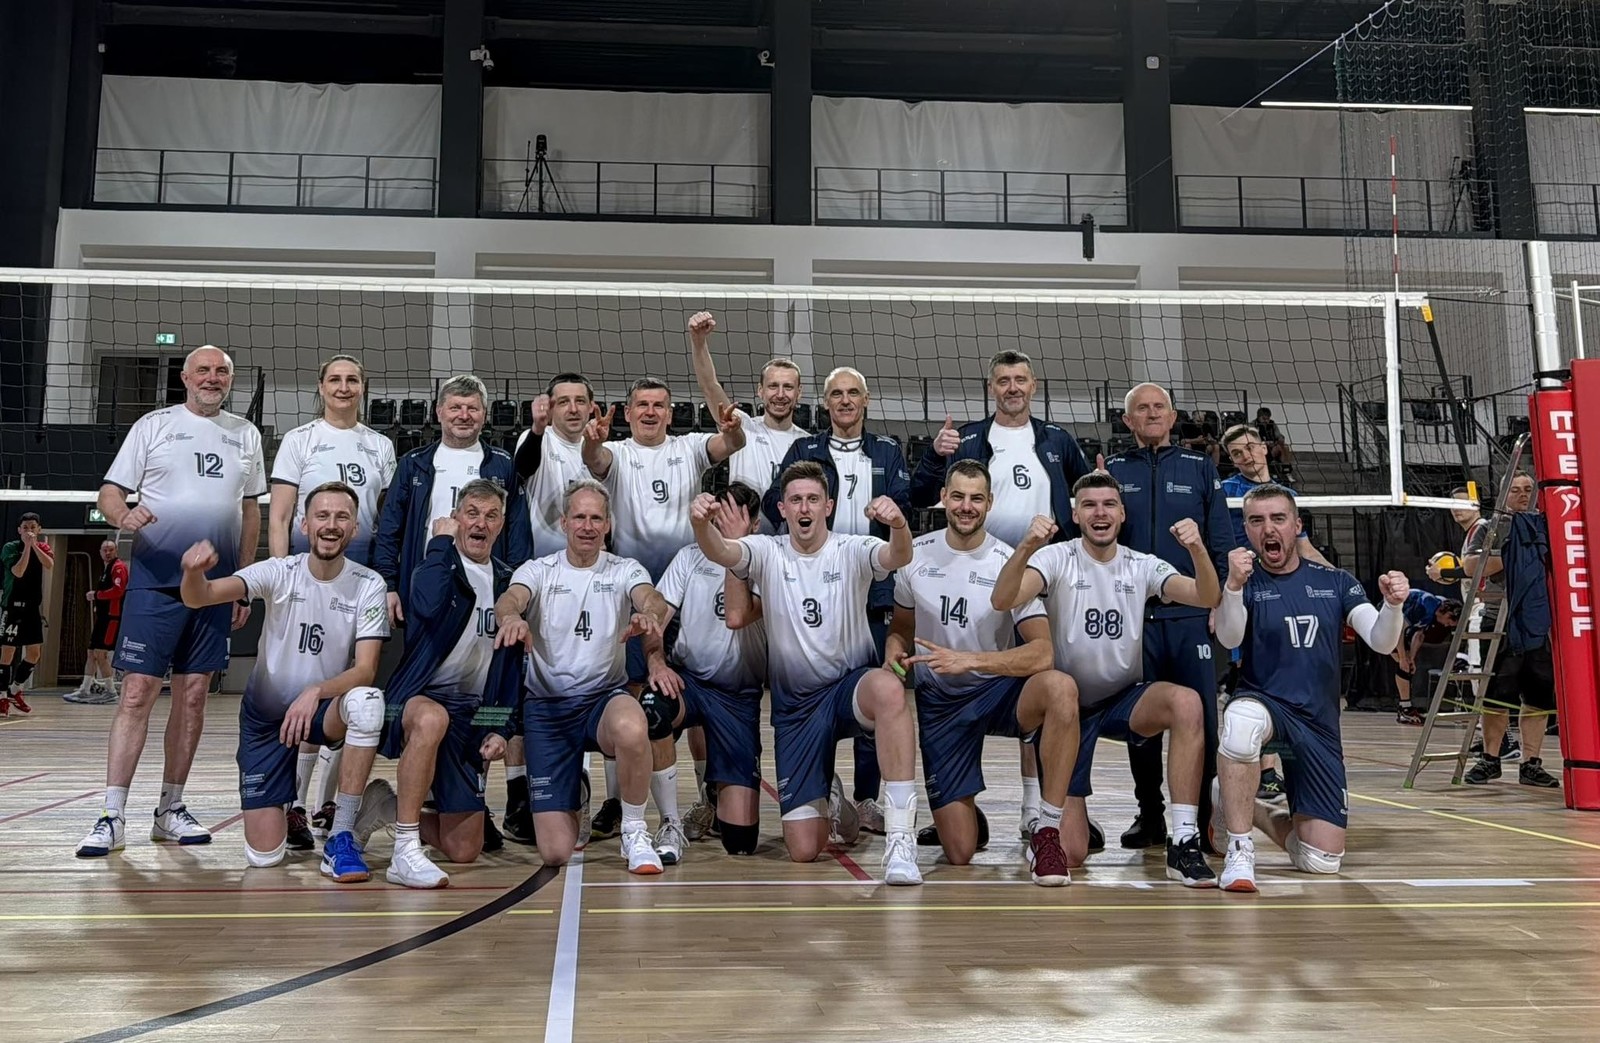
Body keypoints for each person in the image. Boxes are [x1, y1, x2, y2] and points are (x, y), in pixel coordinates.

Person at [77, 345, 266, 858]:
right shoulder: (153, 425)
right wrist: (123, 516)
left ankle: (170, 808)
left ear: (230, 380)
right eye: (203, 370)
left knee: (194, 696)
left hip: (214, 588)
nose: (212, 377)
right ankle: (112, 814)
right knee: (136, 692)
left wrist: (243, 581)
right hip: (156, 581)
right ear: (185, 377)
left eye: (222, 371)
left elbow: (250, 511)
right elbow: (110, 492)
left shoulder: (246, 434)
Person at [696, 460, 923, 883]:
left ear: (828, 506)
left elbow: (898, 555)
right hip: (797, 709)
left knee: (889, 688)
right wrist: (700, 524)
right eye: (796, 499)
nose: (805, 507)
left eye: (813, 499)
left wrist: (898, 524)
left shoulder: (851, 548)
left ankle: (900, 839)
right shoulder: (767, 550)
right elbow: (722, 552)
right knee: (803, 850)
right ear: (782, 509)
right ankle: (837, 805)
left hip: (848, 689)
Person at [991, 473, 1222, 887]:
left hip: (1121, 699)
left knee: (1187, 702)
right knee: (1073, 853)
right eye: (1090, 505)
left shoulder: (1141, 564)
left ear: (1122, 513)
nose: (1100, 513)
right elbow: (1002, 599)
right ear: (1076, 515)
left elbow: (1207, 597)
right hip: (1068, 710)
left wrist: (1198, 549)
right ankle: (1053, 825)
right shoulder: (1056, 557)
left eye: (1109, 504)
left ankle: (1184, 840)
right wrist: (1026, 546)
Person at [909, 349, 1094, 837]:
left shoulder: (1057, 439)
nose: (1012, 388)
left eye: (1020, 380)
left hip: (1042, 575)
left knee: (1045, 679)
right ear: (991, 388)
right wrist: (934, 455)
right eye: (1003, 381)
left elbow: (1087, 496)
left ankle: (1038, 808)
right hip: (978, 568)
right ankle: (958, 804)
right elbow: (920, 493)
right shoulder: (969, 437)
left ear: (1033, 386)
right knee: (988, 675)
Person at [176, 482, 389, 874]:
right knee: (264, 858)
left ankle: (342, 834)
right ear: (304, 525)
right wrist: (192, 572)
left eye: (341, 517)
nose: (331, 525)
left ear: (355, 528)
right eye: (322, 516)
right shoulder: (279, 571)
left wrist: (315, 691)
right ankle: (295, 800)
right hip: (267, 718)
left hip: (323, 708)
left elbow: (365, 670)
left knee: (367, 702)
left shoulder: (369, 584)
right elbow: (199, 596)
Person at [887, 460, 1081, 885]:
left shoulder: (1008, 562)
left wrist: (971, 660)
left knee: (1060, 688)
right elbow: (901, 627)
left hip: (997, 692)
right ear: (943, 498)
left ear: (990, 502)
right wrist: (893, 653)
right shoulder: (914, 555)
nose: (966, 506)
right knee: (959, 851)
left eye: (976, 498)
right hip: (941, 703)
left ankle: (1046, 829)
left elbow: (1042, 654)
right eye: (958, 496)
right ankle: (966, 811)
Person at [1213, 483, 1409, 892]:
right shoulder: (1243, 582)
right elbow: (1230, 639)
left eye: (1278, 518)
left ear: (1297, 526)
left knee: (1320, 861)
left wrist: (1392, 606)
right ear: (1246, 530)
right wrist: (1232, 588)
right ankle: (1239, 850)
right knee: (1240, 725)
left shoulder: (1336, 582)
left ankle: (1244, 805)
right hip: (1266, 705)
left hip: (1317, 725)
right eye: (1256, 521)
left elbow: (1381, 641)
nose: (1268, 529)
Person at [579, 379, 745, 840]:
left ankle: (707, 797)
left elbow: (731, 443)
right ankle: (617, 801)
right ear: (629, 412)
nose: (650, 412)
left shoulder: (689, 448)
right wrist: (591, 443)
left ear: (671, 414)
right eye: (642, 405)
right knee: (629, 689)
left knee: (691, 686)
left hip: (689, 587)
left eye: (659, 405)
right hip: (633, 589)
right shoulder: (618, 453)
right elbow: (595, 460)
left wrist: (733, 427)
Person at [374, 372, 530, 851]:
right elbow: (391, 527)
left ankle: (449, 801)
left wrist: (517, 589)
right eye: (455, 407)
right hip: (430, 594)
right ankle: (406, 812)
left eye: (472, 408)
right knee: (429, 708)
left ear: (484, 415)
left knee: (466, 850)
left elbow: (518, 534)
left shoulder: (502, 466)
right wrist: (389, 583)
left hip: (473, 691)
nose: (464, 415)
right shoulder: (415, 464)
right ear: (439, 412)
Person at [492, 478, 676, 876]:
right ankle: (575, 786)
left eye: (596, 518)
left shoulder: (625, 569)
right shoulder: (539, 570)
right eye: (579, 517)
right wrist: (510, 617)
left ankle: (634, 831)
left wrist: (649, 613)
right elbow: (510, 598)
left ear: (608, 524)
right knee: (555, 852)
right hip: (548, 710)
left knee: (632, 724)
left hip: (601, 702)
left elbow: (651, 597)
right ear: (564, 522)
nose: (587, 526)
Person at [763, 367, 912, 835]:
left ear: (865, 400)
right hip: (816, 583)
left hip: (871, 584)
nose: (845, 401)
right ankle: (822, 785)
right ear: (825, 403)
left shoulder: (886, 450)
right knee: (817, 687)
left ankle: (868, 799)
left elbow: (905, 502)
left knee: (875, 689)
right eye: (836, 395)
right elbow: (772, 502)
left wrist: (890, 514)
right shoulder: (804, 450)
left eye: (853, 394)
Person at [366, 479, 523, 887]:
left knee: (465, 848)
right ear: (455, 518)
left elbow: (509, 669)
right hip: (413, 699)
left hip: (470, 712)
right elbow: (426, 604)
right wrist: (439, 543)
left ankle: (386, 807)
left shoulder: (510, 583)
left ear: (501, 525)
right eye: (472, 513)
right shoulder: (435, 565)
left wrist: (500, 727)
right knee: (433, 718)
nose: (481, 523)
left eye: (491, 516)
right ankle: (404, 849)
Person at [268, 354, 397, 847]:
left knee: (352, 693)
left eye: (353, 380)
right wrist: (282, 579)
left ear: (363, 388)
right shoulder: (300, 440)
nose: (344, 387)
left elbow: (385, 523)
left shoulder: (380, 445)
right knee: (306, 686)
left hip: (359, 581)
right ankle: (292, 806)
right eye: (335, 380)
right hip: (309, 578)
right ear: (321, 387)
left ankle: (327, 803)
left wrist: (384, 581)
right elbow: (280, 517)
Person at [1104, 383, 1234, 850]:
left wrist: (1220, 601)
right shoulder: (1114, 470)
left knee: (1203, 720)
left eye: (1159, 407)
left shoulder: (1199, 468)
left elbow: (1221, 538)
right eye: (1142, 408)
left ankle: (1202, 817)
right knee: (1142, 721)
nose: (1152, 413)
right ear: (1128, 420)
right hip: (1134, 618)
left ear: (1173, 417)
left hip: (1189, 615)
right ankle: (1150, 814)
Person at [643, 481, 769, 863]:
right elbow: (656, 619)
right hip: (691, 682)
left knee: (740, 842)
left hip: (738, 697)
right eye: (718, 520)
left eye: (734, 521)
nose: (722, 528)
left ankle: (716, 796)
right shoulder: (689, 557)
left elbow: (737, 617)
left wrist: (735, 549)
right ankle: (669, 822)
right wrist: (656, 661)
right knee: (652, 708)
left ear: (755, 525)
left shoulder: (768, 561)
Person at [505, 371, 599, 845]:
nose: (573, 409)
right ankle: (517, 795)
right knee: (526, 692)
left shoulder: (600, 453)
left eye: (580, 401)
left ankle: (578, 790)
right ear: (550, 407)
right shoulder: (537, 440)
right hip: (539, 582)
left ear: (591, 407)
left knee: (582, 684)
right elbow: (521, 466)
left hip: (588, 584)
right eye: (563, 401)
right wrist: (538, 429)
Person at [1218, 422, 1329, 799]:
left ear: (1265, 448)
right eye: (1236, 453)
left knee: (1286, 681)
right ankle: (1261, 770)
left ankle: (1278, 766)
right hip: (1249, 595)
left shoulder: (1285, 495)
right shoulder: (1227, 492)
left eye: (1250, 447)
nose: (1246, 456)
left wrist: (1340, 581)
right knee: (1255, 681)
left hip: (1288, 595)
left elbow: (1304, 548)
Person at [1455, 474, 1558, 788]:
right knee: (1497, 695)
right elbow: (1471, 566)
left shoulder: (1545, 525)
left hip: (1536, 622)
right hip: (1498, 620)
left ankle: (1531, 764)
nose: (1523, 495)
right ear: (1503, 493)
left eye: (1528, 489)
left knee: (1538, 696)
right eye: (1515, 490)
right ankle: (1491, 759)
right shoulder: (1490, 527)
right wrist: (1514, 557)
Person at [687, 311, 810, 517]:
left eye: (788, 387)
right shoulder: (742, 426)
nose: (780, 395)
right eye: (773, 386)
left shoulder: (808, 443)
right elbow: (709, 386)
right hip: (744, 533)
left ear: (799, 393)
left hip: (791, 535)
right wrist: (698, 341)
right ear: (760, 391)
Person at [0, 513, 54, 715]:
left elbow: (49, 565)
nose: (29, 531)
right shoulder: (10, 548)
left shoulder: (44, 547)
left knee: (34, 653)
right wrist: (27, 548)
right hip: (12, 606)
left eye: (33, 527)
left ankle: (15, 689)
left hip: (32, 608)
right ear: (19, 530)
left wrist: (34, 546)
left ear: (39, 529)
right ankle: (2, 697)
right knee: (8, 652)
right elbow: (18, 571)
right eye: (25, 527)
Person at [66, 539, 127, 705]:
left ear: (116, 551)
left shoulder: (118, 567)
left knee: (101, 654)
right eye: (105, 550)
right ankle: (84, 689)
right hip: (103, 617)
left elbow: (118, 591)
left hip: (111, 618)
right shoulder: (106, 569)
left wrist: (96, 595)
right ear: (100, 552)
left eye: (111, 550)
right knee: (91, 653)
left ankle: (110, 691)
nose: (108, 553)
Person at [1392, 591, 1461, 725]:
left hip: (1402, 625)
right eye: (1448, 622)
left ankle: (1405, 707)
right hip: (1388, 619)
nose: (1445, 626)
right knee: (1402, 664)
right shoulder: (1423, 607)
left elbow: (1419, 635)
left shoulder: (1438, 607)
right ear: (1448, 614)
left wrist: (1411, 658)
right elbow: (1398, 630)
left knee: (1407, 665)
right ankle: (1405, 709)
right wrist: (1402, 658)